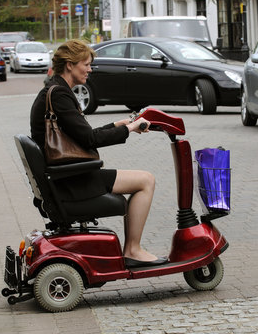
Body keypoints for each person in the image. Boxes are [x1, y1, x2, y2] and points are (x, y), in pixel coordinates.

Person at [30, 39, 167, 268]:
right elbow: (90, 139)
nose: (90, 70)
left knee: (143, 179)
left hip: (65, 176)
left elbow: (83, 134)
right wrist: (131, 128)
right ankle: (133, 249)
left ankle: (133, 248)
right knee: (146, 180)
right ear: (71, 65)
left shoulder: (54, 91)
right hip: (72, 180)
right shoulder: (59, 96)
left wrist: (119, 124)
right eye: (86, 64)